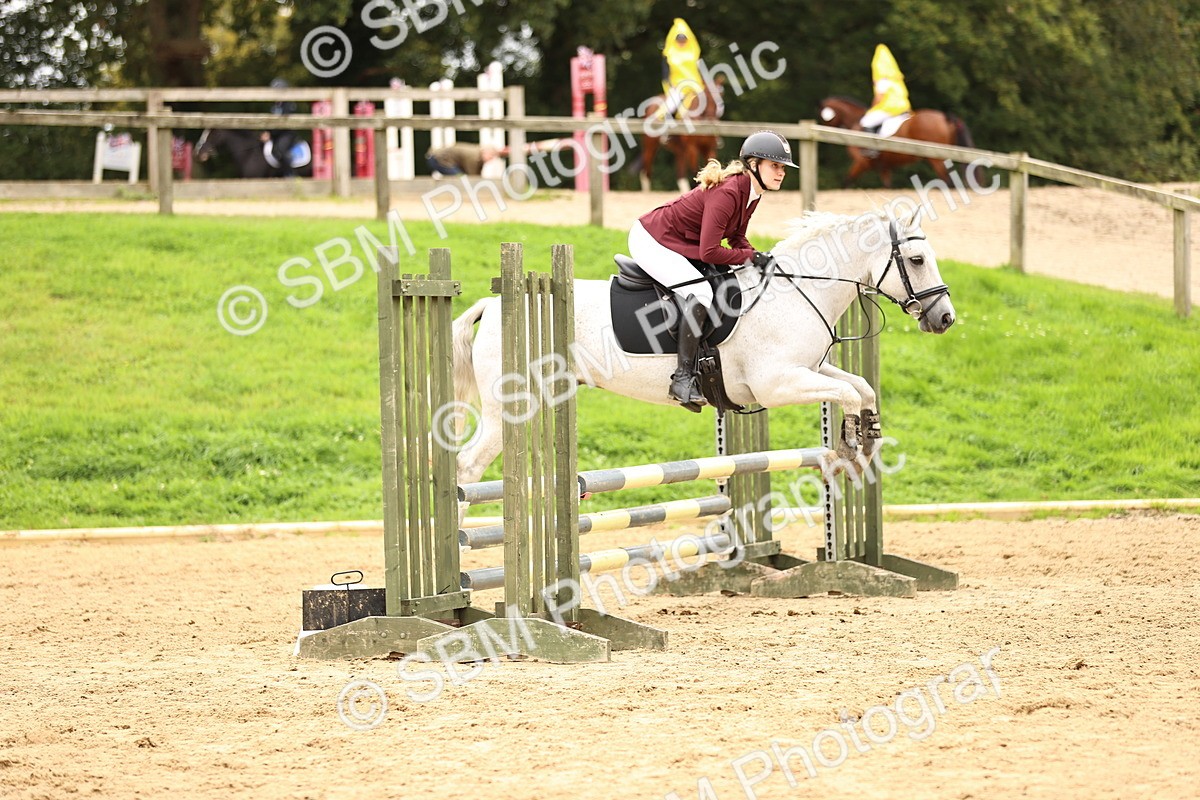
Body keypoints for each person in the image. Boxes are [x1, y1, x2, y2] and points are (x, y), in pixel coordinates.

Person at [629, 130, 797, 409]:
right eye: (775, 166)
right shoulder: (730, 193)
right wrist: (750, 257)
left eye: (782, 168)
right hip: (652, 240)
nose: (781, 173)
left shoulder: (751, 193)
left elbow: (736, 239)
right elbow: (709, 251)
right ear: (754, 164)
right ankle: (682, 379)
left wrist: (757, 256)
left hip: (681, 241)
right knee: (701, 292)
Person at [859, 44, 912, 140]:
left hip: (890, 109)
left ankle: (872, 148)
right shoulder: (897, 80)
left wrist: (871, 108)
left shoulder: (882, 80)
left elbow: (879, 98)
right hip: (905, 109)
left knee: (865, 122)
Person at [659, 18, 703, 120]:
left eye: (684, 40)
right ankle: (662, 125)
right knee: (671, 105)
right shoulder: (669, 54)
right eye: (679, 40)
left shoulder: (694, 53)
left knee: (714, 103)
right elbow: (666, 72)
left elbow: (699, 70)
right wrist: (669, 84)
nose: (681, 42)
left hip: (695, 87)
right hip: (678, 86)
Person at [264, 78, 298, 176]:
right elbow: (270, 121)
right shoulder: (274, 106)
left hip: (287, 134)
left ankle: (290, 174)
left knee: (281, 149)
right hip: (276, 134)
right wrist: (267, 132)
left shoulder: (289, 105)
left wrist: (271, 133)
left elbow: (285, 123)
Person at [425, 143, 502, 176]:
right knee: (459, 177)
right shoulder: (474, 157)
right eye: (491, 156)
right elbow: (473, 176)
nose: (491, 159)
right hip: (438, 159)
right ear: (485, 152)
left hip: (441, 158)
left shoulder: (478, 156)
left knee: (460, 176)